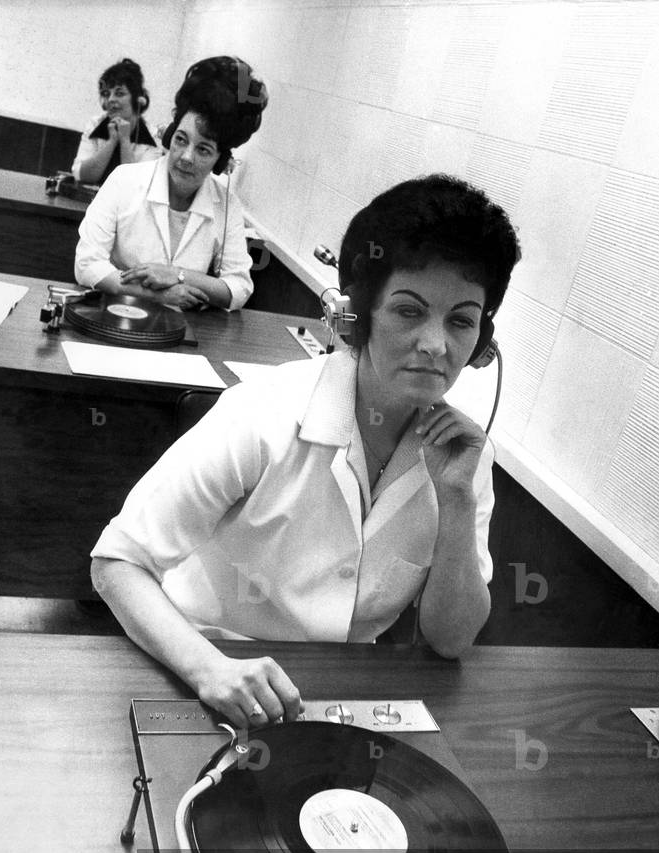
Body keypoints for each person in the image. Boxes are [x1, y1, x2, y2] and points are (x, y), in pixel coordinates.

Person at [91, 174, 521, 725]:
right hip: (200, 668)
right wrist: (209, 669)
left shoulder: (463, 456)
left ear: (482, 343)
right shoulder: (264, 411)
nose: (437, 345)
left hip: (338, 699)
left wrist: (457, 501)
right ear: (358, 318)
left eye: (461, 320)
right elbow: (117, 561)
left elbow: (451, 639)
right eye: (409, 311)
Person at [74, 56, 268, 311]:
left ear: (220, 162)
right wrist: (156, 295)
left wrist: (177, 274)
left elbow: (239, 288)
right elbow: (87, 265)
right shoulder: (124, 180)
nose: (186, 157)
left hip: (181, 332)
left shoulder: (227, 203)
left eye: (204, 149)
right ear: (168, 137)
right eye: (180, 140)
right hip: (116, 316)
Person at [72, 58, 160, 186]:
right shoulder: (95, 125)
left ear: (137, 99)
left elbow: (135, 186)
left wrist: (124, 140)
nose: (111, 99)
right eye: (106, 94)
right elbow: (80, 175)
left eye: (119, 93)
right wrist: (112, 141)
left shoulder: (153, 137)